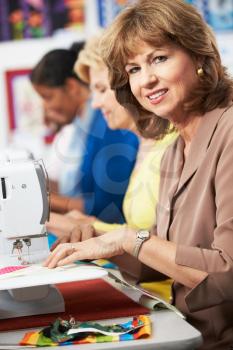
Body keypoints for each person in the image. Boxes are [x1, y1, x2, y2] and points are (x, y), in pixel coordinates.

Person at [44, 1, 233, 349]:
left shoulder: (229, 132)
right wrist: (102, 244)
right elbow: (163, 262)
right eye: (133, 69)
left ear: (200, 56)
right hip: (187, 331)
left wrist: (130, 238)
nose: (146, 79)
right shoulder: (177, 147)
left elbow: (226, 273)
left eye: (159, 58)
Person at [47, 38, 176, 302]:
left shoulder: (170, 147)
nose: (94, 103)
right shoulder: (146, 146)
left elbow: (165, 246)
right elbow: (142, 238)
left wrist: (88, 226)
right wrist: (86, 227)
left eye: (101, 89)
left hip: (169, 298)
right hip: (147, 290)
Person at [30, 42, 139, 223]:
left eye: (48, 97)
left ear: (72, 87)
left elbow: (107, 205)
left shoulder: (107, 123)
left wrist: (45, 201)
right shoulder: (82, 125)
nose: (46, 107)